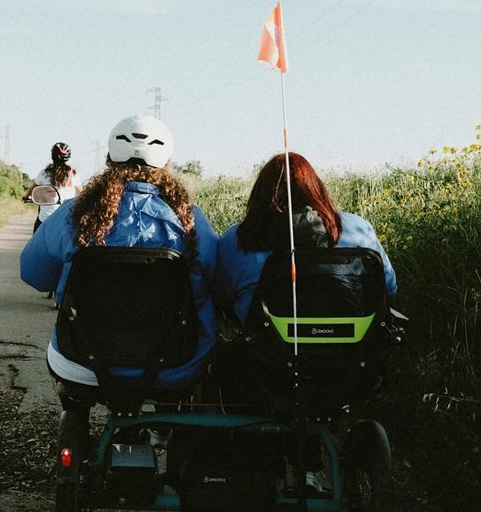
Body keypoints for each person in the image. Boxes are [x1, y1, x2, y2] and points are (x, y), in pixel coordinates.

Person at [20, 115, 218, 401]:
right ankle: (163, 430)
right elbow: (214, 281)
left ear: (110, 160)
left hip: (80, 361)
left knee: (74, 390)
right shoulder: (191, 220)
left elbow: (33, 273)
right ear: (166, 163)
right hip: (176, 362)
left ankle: (76, 419)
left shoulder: (74, 214)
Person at [215, 151, 397, 329]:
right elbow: (388, 288)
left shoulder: (237, 238)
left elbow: (222, 298)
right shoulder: (357, 229)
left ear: (260, 193)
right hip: (350, 348)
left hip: (267, 353)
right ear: (315, 188)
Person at [22, 142, 82, 232]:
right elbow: (81, 193)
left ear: (52, 156)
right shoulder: (73, 174)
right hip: (66, 218)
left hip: (45, 219)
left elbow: (32, 189)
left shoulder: (44, 173)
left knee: (36, 241)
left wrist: (26, 196)